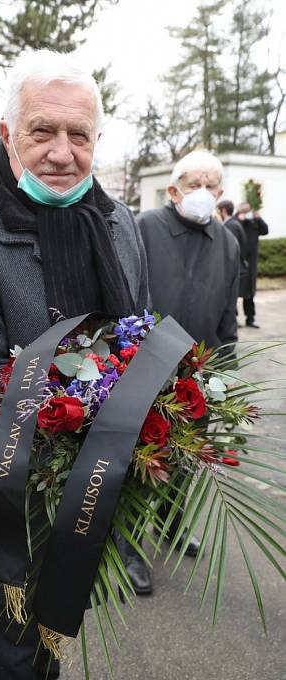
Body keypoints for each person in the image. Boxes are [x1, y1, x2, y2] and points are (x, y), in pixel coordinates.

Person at [0, 49, 149, 680]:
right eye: (42, 131)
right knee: (13, 660)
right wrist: (99, 404)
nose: (63, 152)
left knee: (59, 650)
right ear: (6, 135)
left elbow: (143, 338)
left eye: (80, 135)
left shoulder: (118, 221)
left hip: (99, 497)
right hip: (9, 511)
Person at [132, 150, 240, 595]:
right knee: (138, 462)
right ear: (173, 190)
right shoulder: (145, 229)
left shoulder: (228, 242)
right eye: (194, 182)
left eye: (212, 184)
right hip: (140, 371)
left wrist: (225, 375)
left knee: (183, 461)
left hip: (197, 376)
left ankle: (172, 525)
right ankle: (128, 545)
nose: (204, 191)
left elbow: (227, 315)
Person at [235, 202, 269, 328]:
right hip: (239, 261)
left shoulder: (255, 222)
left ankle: (250, 318)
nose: (247, 213)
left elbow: (265, 231)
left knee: (249, 292)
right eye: (245, 211)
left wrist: (258, 217)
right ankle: (234, 318)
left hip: (251, 263)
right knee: (235, 291)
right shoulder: (237, 222)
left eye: (249, 211)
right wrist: (240, 219)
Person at [217, 200, 250, 316]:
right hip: (236, 266)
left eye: (218, 210)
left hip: (233, 268)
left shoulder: (230, 225)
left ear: (224, 211)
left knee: (230, 297)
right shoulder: (234, 223)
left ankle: (232, 320)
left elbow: (230, 250)